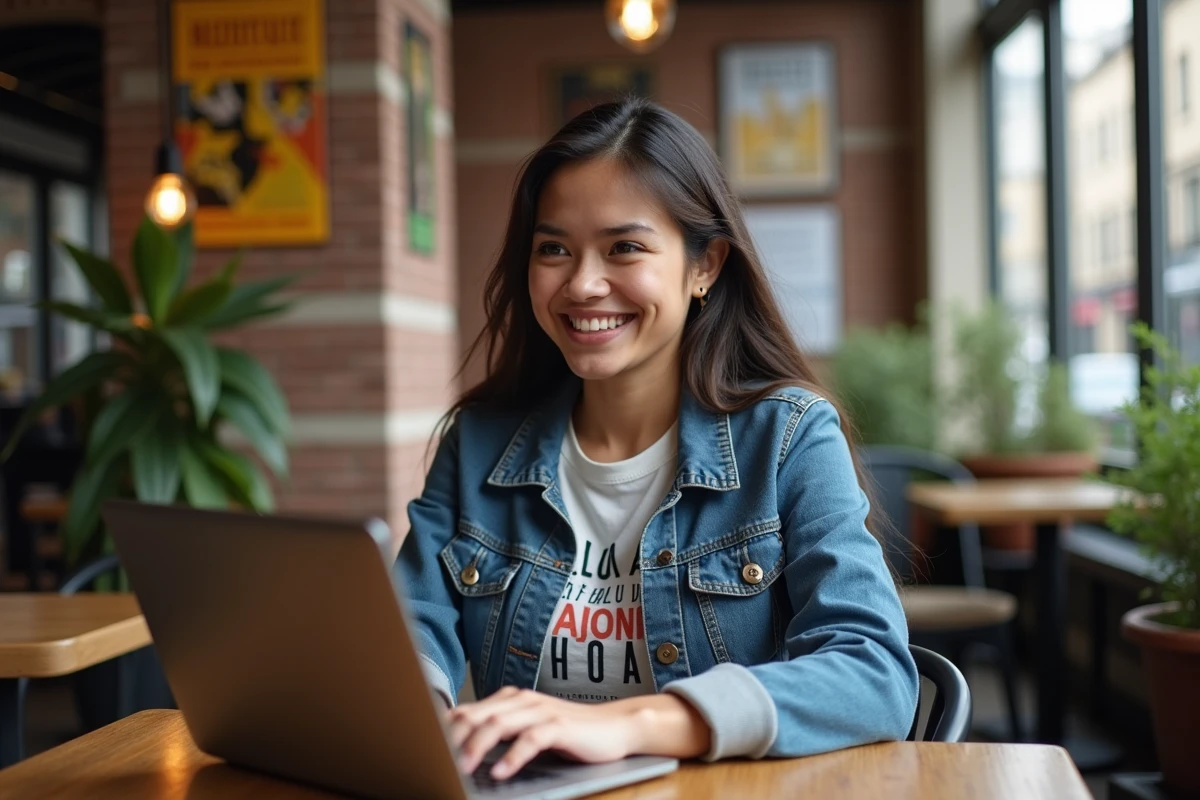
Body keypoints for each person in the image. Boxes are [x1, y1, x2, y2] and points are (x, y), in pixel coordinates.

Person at [395, 99, 918, 782]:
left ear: (705, 267)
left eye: (625, 248)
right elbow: (410, 636)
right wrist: (413, 720)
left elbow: (874, 672)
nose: (582, 283)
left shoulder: (787, 437)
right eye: (553, 248)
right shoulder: (480, 443)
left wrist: (630, 722)